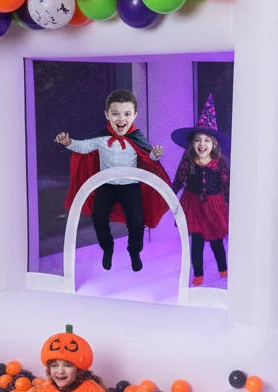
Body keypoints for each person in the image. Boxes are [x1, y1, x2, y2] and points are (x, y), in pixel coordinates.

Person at [58, 89, 170, 272]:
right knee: (98, 216)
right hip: (106, 185)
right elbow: (84, 147)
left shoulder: (137, 138)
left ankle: (134, 251)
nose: (121, 119)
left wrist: (155, 155)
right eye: (115, 113)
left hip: (130, 186)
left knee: (136, 221)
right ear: (107, 114)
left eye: (127, 114)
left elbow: (148, 158)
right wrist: (68, 142)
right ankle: (107, 248)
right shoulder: (101, 138)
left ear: (135, 115)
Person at [171, 94, 230, 286]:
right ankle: (198, 275)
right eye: (198, 140)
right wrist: (170, 194)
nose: (202, 144)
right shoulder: (188, 160)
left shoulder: (219, 162)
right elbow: (179, 179)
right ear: (192, 143)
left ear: (214, 144)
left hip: (215, 206)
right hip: (193, 205)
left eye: (206, 140)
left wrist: (231, 205)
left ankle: (223, 270)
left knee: (216, 242)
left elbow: (227, 184)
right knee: (195, 243)